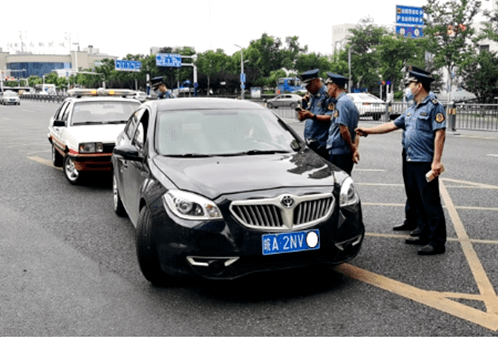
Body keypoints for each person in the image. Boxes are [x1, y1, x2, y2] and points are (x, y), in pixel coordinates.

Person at [355, 68, 447, 255]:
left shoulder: (434, 106)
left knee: (430, 201)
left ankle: (437, 242)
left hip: (424, 162)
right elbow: (392, 125)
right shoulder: (412, 108)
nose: (407, 88)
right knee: (416, 199)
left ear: (419, 85)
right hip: (410, 159)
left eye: (410, 84)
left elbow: (440, 134)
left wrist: (436, 162)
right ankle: (424, 233)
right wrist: (368, 131)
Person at [324, 72, 360, 176]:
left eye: (328, 86)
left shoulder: (341, 103)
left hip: (339, 153)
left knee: (338, 183)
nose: (327, 89)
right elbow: (355, 130)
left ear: (334, 86)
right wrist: (354, 149)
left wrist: (352, 147)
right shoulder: (347, 101)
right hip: (344, 152)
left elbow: (343, 129)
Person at [296, 69, 333, 159]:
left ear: (317, 81)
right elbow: (301, 117)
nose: (307, 88)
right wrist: (303, 105)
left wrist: (313, 117)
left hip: (322, 144)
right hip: (310, 142)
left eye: (308, 85)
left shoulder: (327, 95)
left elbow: (332, 117)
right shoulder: (311, 95)